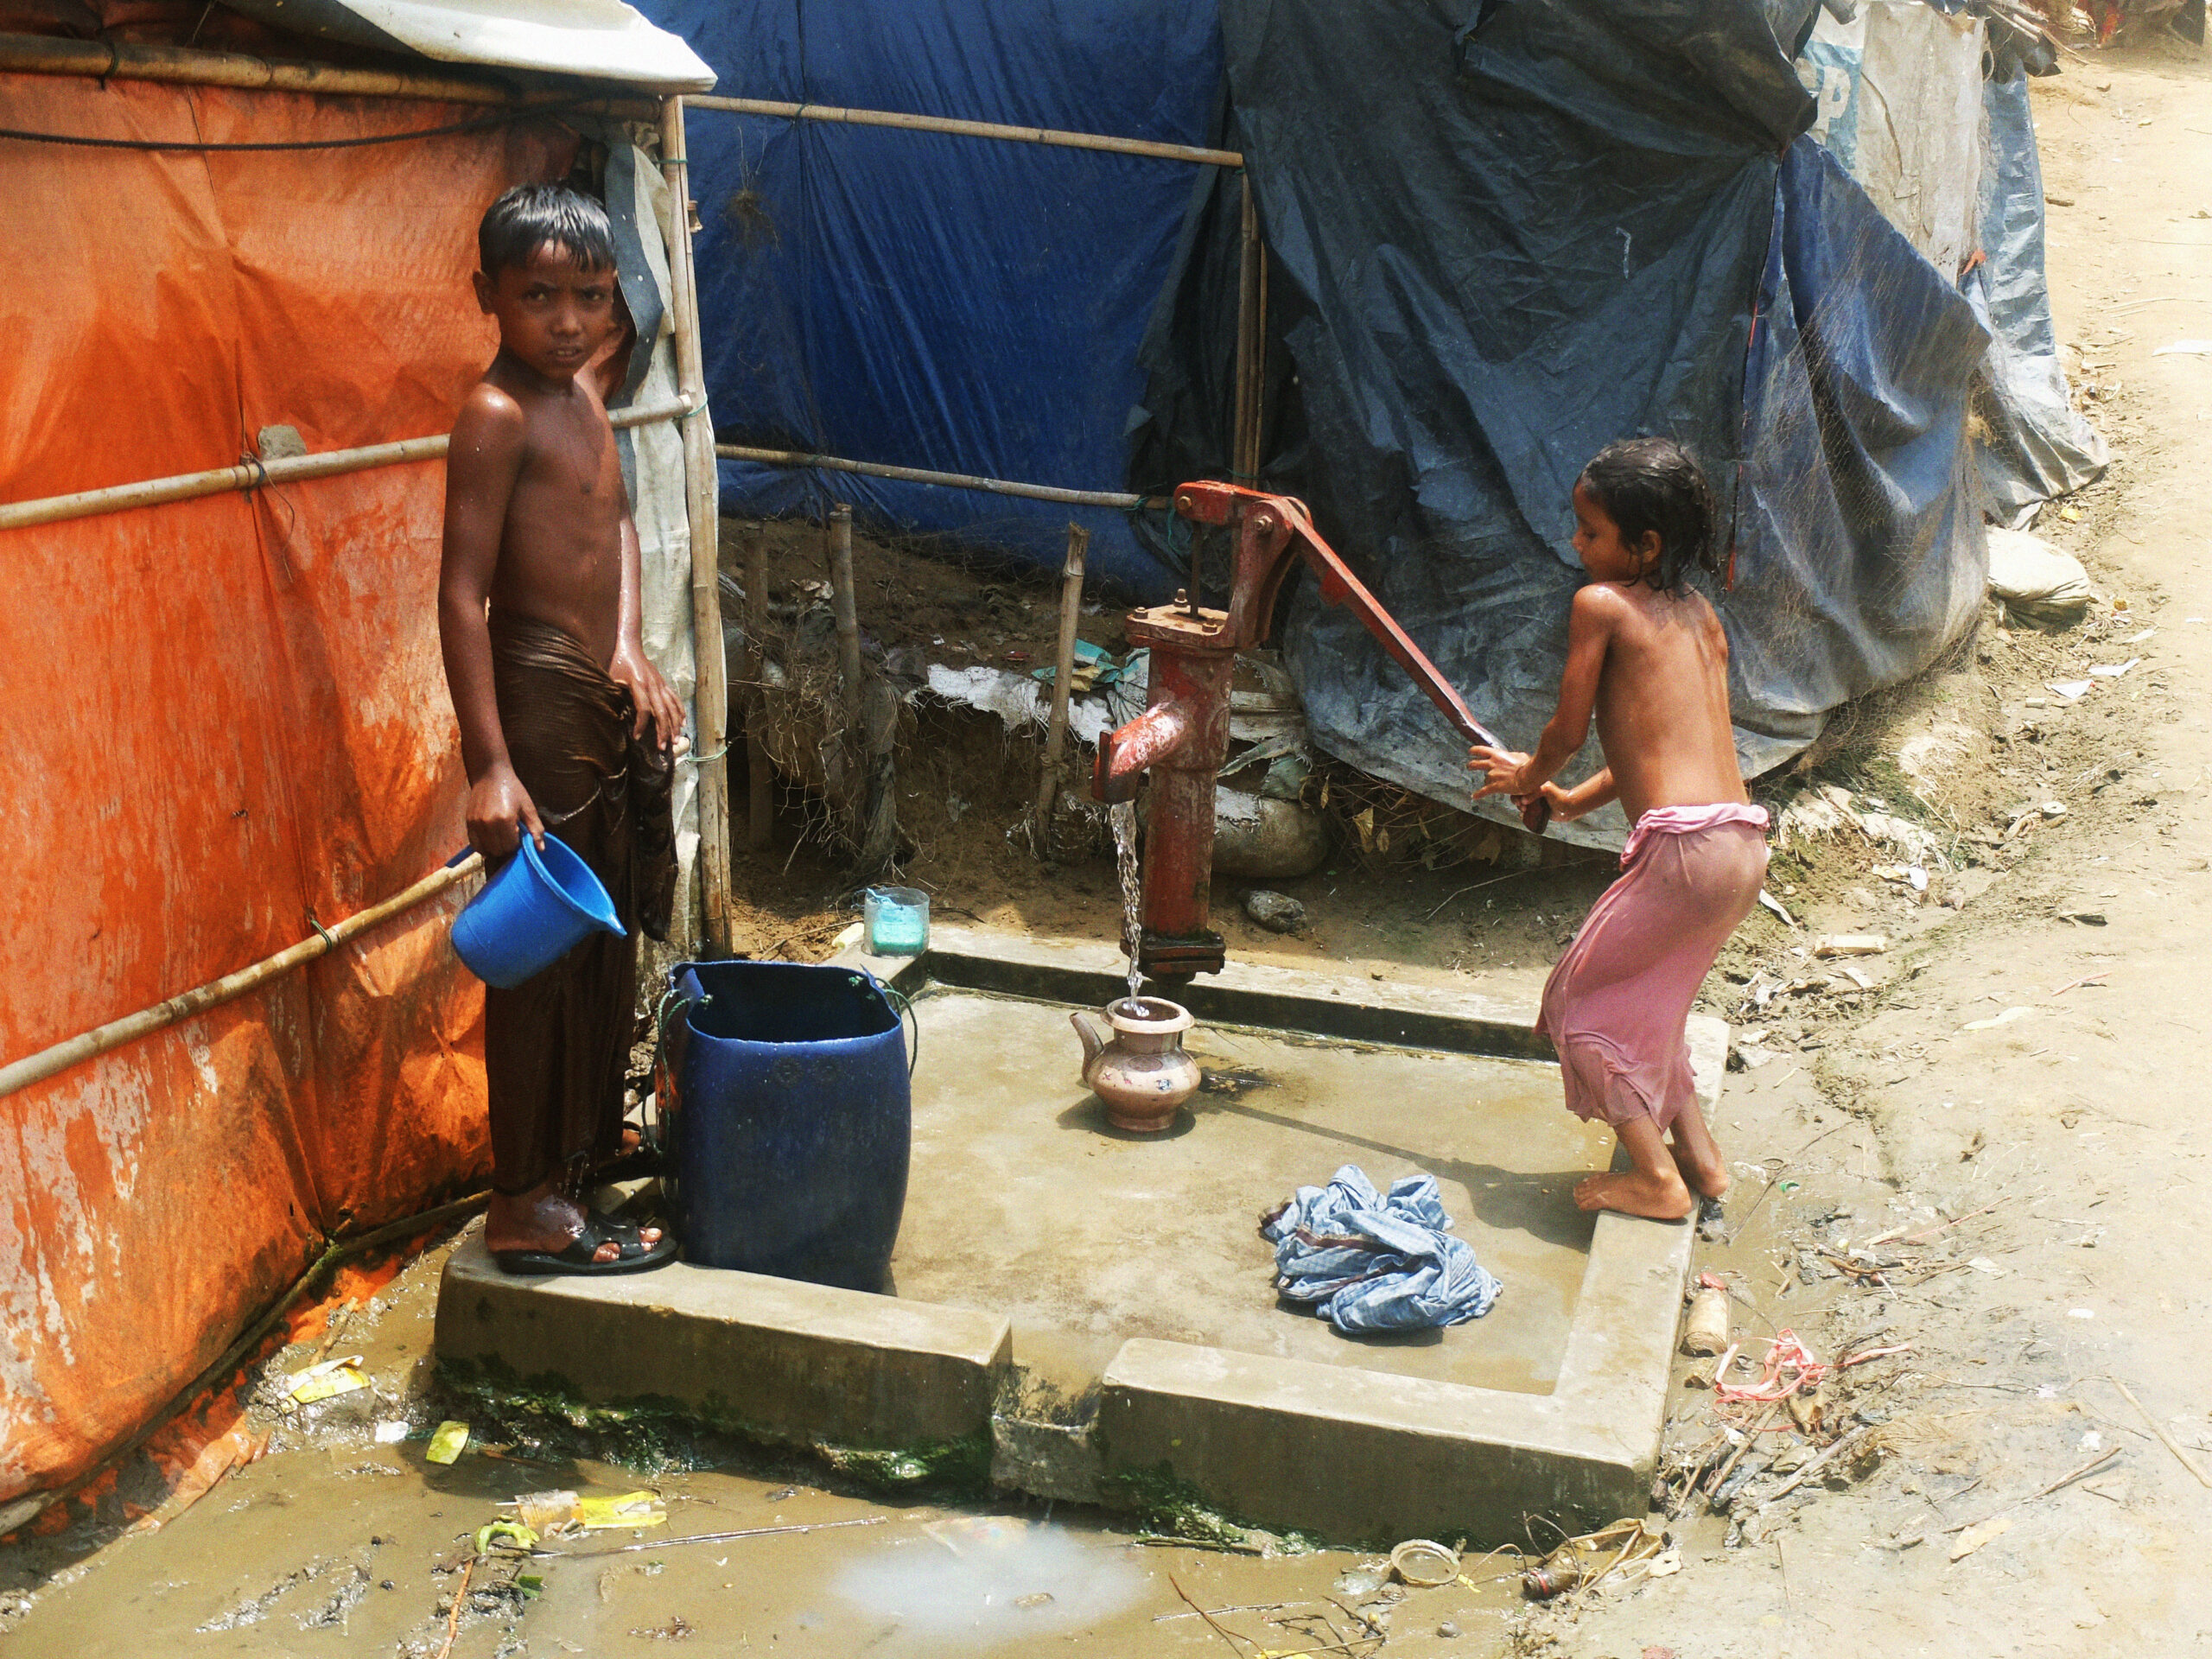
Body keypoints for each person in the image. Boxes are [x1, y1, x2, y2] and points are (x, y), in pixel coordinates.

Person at [439, 183, 686, 1274]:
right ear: (487, 295)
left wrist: (630, 645)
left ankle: (581, 1146)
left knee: (606, 933)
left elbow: (620, 525)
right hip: (535, 699)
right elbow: (459, 594)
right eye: (540, 296)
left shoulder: (583, 393)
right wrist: (489, 764)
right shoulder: (495, 416)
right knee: (538, 955)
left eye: (589, 295)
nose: (570, 320)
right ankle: (522, 1202)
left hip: (597, 686)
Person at [1468, 437, 1768, 1222]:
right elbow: (1674, 747)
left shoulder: (1600, 606)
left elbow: (1568, 731)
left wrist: (1527, 776)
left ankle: (1658, 1185)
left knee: (1579, 1005)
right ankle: (1702, 1163)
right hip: (1740, 842)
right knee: (1653, 1003)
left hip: (1686, 854)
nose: (1576, 545)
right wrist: (1573, 803)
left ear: (1645, 546)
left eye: (1590, 533)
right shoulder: (1700, 616)